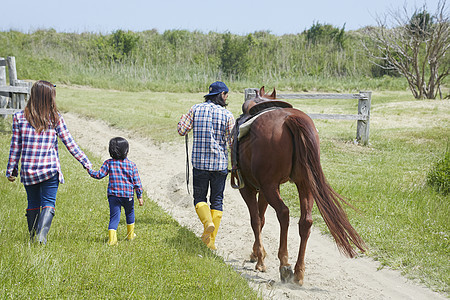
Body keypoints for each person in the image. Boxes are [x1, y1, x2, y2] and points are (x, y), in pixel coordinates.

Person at [6, 80, 92, 244]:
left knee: (32, 203)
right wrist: (86, 163)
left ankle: (33, 237)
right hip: (50, 170)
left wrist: (11, 170)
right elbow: (70, 143)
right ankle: (41, 236)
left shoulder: (18, 118)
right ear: (49, 98)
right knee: (48, 203)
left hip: (28, 171)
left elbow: (15, 147)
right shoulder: (55, 119)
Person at [177, 81, 235, 250]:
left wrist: (184, 119)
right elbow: (232, 143)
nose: (227, 98)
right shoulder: (228, 115)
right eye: (226, 95)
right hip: (219, 165)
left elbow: (182, 130)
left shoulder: (195, 109)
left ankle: (207, 222)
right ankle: (211, 242)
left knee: (199, 198)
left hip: (200, 164)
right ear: (222, 95)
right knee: (217, 201)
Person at [88, 137, 144, 246]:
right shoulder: (131, 165)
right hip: (128, 196)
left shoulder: (108, 163)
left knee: (114, 217)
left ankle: (112, 240)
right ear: (126, 151)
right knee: (130, 213)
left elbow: (99, 175)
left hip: (113, 196)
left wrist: (89, 170)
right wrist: (139, 196)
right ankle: (130, 235)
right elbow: (137, 182)